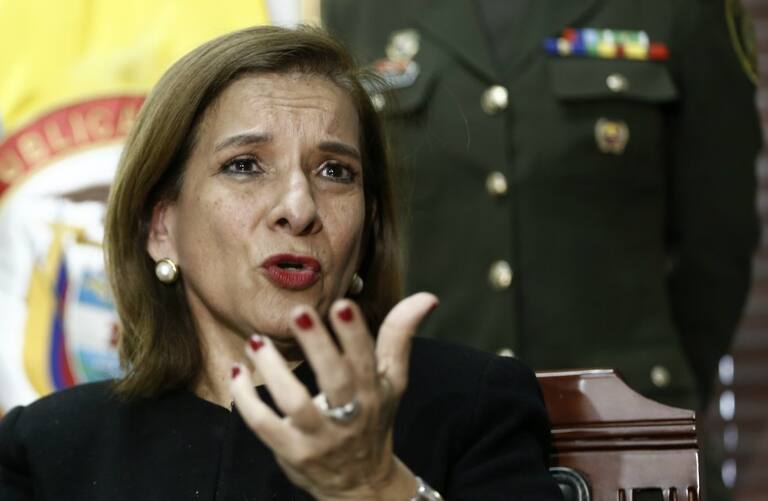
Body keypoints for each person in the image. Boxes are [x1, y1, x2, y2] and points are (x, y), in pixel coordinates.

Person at [0, 26, 564, 500]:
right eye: (245, 165)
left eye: (335, 171)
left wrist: (376, 486)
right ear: (161, 227)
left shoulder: (470, 404)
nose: (299, 209)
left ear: (368, 229)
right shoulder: (47, 446)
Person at [321, 0, 761, 413]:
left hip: (618, 421)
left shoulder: (682, 8)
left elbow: (719, 240)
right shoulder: (357, 9)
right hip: (427, 418)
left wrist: (662, 406)